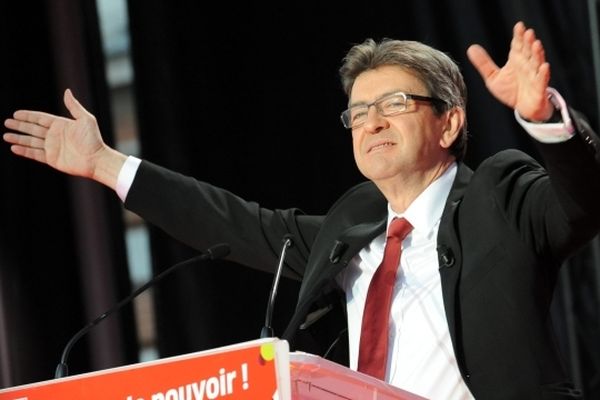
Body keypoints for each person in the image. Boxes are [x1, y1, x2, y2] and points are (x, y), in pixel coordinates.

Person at [4, 20, 600, 399]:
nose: (372, 122)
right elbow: (234, 224)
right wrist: (107, 163)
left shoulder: (500, 194)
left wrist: (544, 120)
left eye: (393, 103)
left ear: (449, 121)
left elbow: (582, 204)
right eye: (359, 112)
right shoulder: (352, 225)